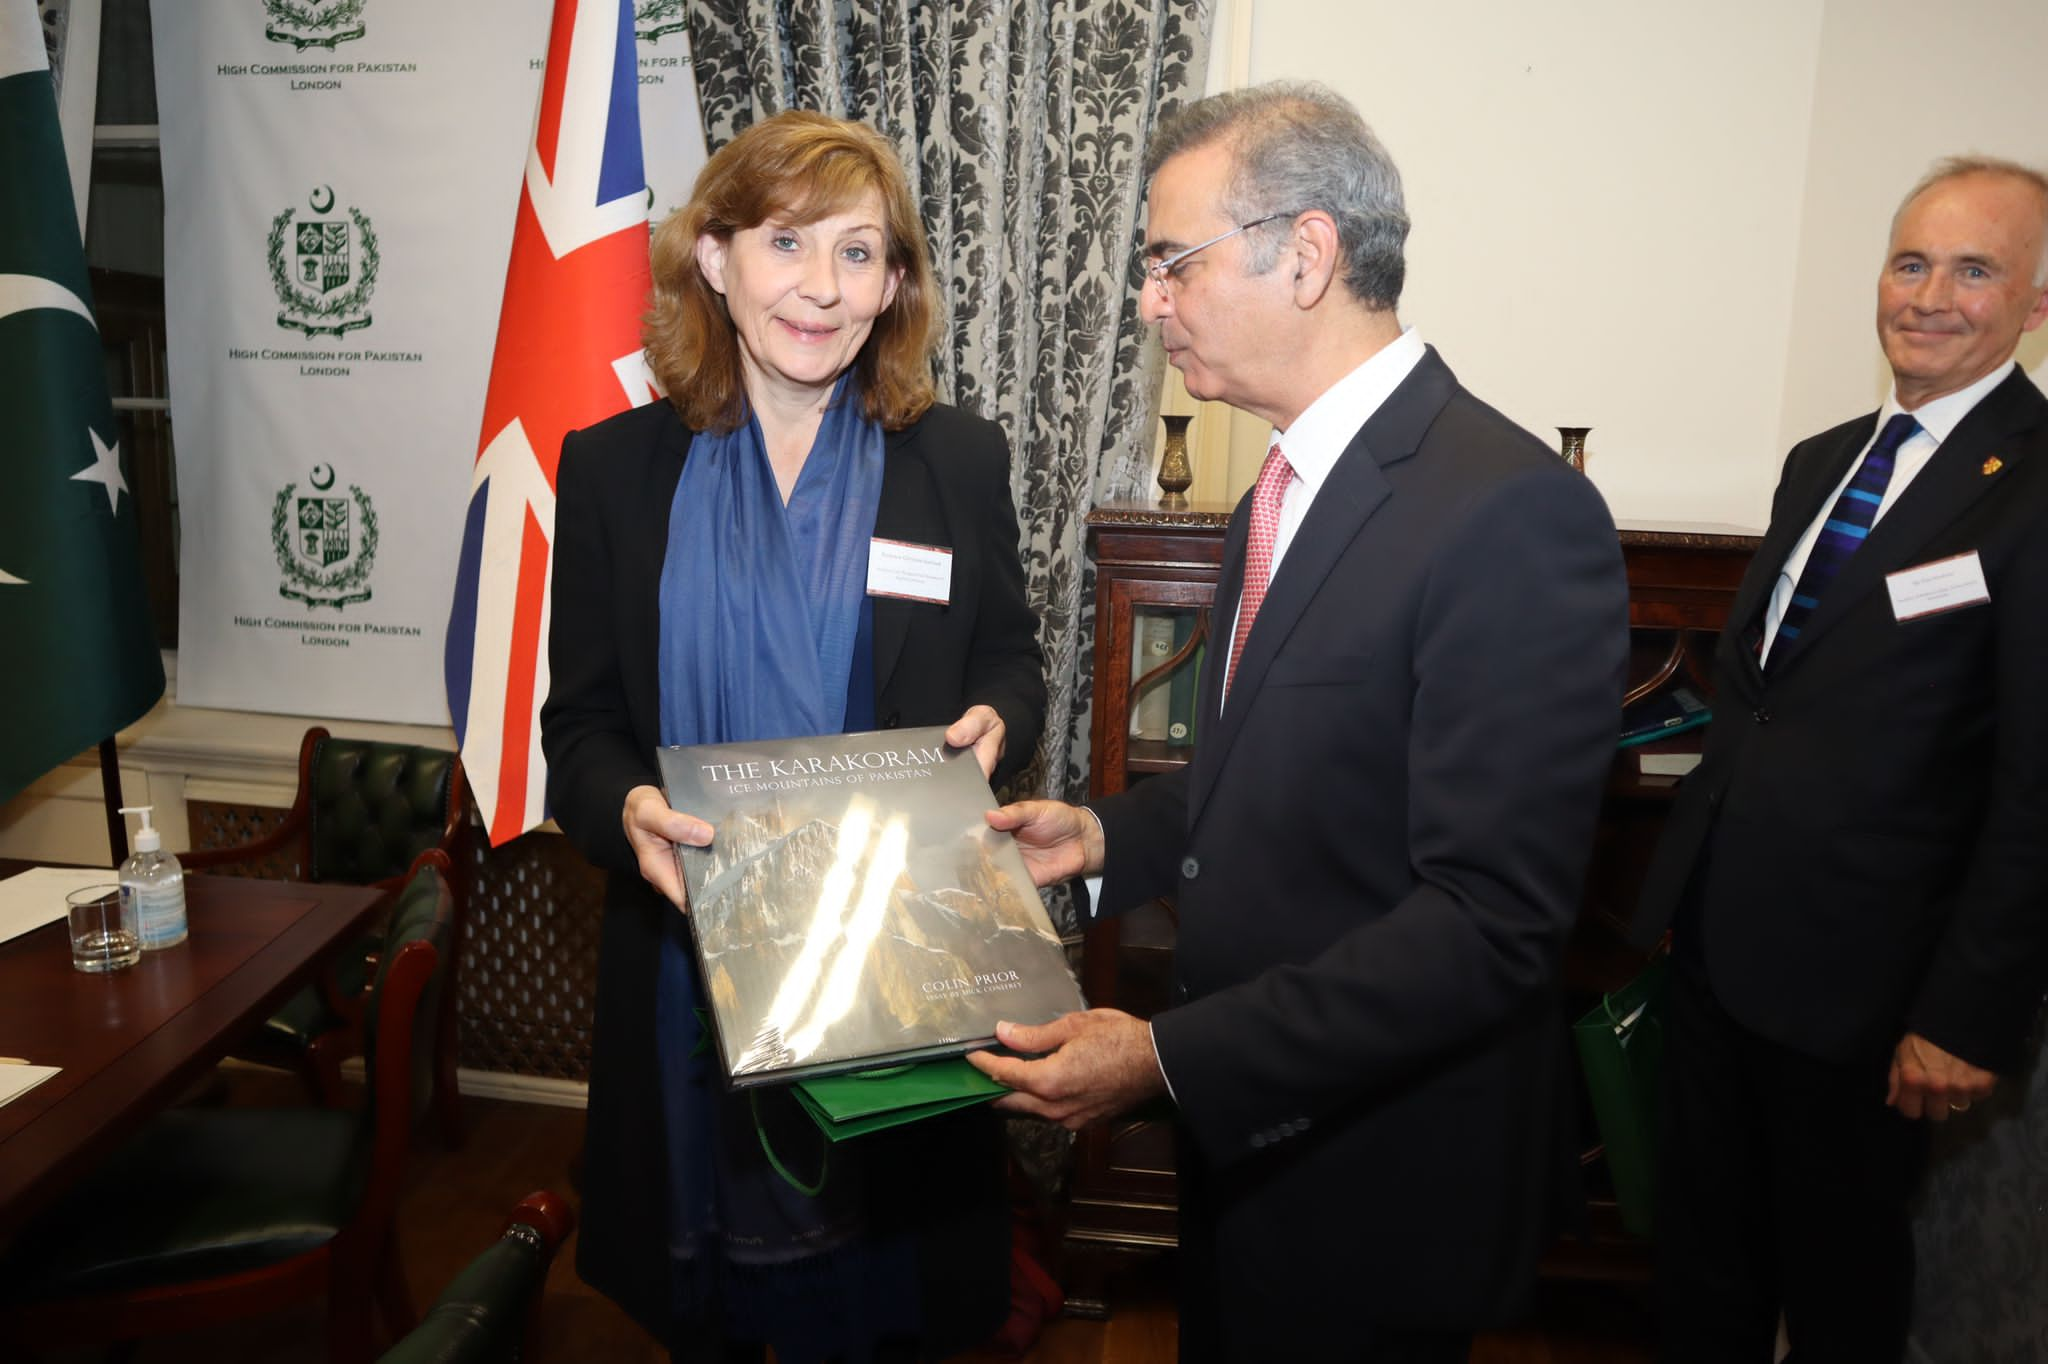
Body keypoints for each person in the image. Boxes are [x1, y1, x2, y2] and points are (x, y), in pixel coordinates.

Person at [966, 83, 1630, 1362]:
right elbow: (1280, 781)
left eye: (1172, 261)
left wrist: (1163, 1056)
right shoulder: (1273, 488)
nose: (1149, 300)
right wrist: (1100, 839)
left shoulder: (1506, 512)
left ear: (1308, 252)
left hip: (1377, 1177)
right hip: (1252, 1141)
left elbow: (1487, 920)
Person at [539, 111, 1046, 1364]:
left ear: (895, 282)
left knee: (888, 1309)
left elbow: (1007, 662)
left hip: (897, 962)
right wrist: (627, 813)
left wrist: (1003, 721)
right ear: (713, 259)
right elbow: (584, 725)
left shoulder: (956, 462)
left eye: (859, 253)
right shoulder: (610, 471)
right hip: (683, 958)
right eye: (785, 243)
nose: (822, 289)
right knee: (706, 1309)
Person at [1634, 157, 2048, 1361]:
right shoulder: (1820, 461)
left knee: (1839, 1294)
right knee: (1698, 1266)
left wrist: (1966, 1013)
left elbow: (2035, 783)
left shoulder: (2032, 485)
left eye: (1972, 269)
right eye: (1908, 260)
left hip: (1875, 994)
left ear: (2031, 303)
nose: (1926, 294)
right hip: (1716, 951)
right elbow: (1763, 702)